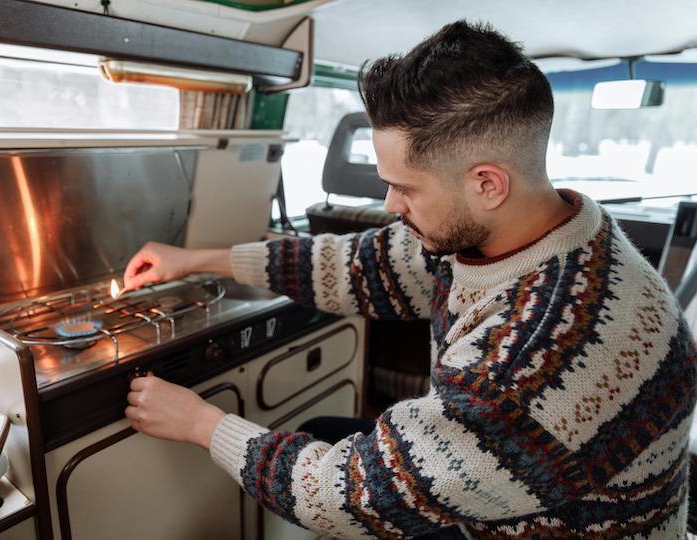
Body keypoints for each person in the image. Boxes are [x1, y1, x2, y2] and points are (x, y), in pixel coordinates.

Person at [123, 20, 696, 539]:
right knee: (322, 428)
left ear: (487, 184)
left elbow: (345, 496)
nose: (391, 204)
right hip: (517, 493)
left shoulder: (534, 364)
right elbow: (365, 265)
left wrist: (200, 422)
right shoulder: (531, 227)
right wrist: (195, 259)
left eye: (406, 188)